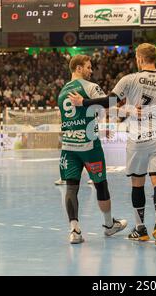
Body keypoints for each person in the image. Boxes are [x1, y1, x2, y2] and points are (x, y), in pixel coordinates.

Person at [69, 43, 156, 248]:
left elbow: (109, 102)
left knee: (137, 183)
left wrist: (82, 103)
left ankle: (141, 229)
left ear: (139, 58)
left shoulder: (129, 80)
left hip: (137, 139)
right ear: (154, 58)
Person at [57, 54, 127, 244]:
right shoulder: (89, 87)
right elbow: (110, 102)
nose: (91, 70)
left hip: (68, 146)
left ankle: (74, 230)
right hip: (89, 145)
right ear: (78, 68)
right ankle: (108, 225)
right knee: (100, 185)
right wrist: (123, 111)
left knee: (71, 187)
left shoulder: (62, 91)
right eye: (88, 67)